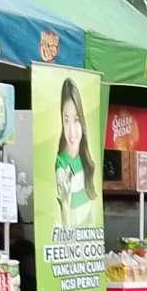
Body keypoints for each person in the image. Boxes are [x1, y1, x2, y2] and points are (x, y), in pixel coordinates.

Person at [53, 77, 99, 230]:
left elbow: (91, 210)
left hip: (88, 236)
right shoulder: (61, 162)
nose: (72, 131)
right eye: (66, 120)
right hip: (69, 237)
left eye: (76, 120)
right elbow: (64, 211)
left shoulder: (87, 159)